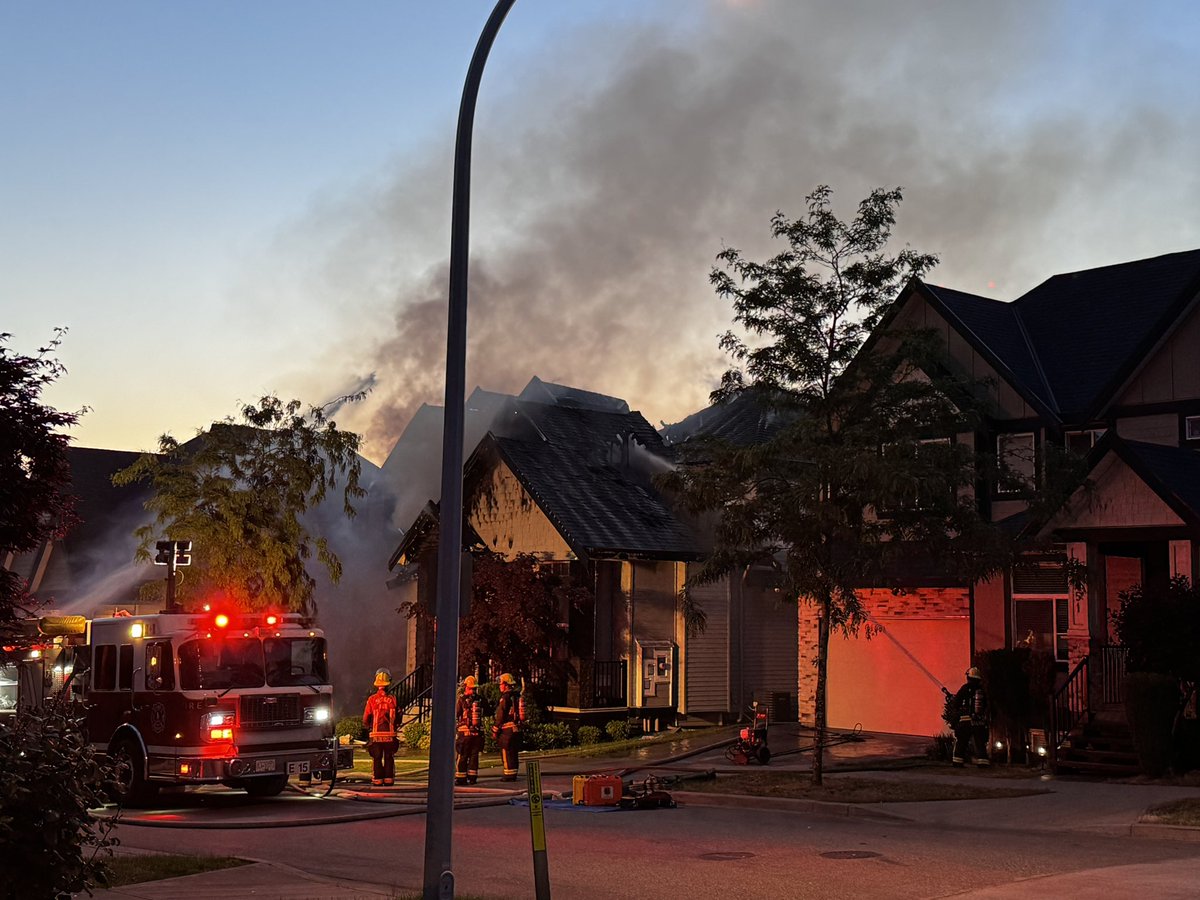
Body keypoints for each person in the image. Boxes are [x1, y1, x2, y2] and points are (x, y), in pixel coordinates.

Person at [947, 666, 990, 767]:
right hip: (978, 722)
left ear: (968, 677)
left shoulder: (964, 688)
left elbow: (956, 704)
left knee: (961, 742)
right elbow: (986, 705)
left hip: (965, 721)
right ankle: (983, 763)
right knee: (980, 744)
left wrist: (954, 701)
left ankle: (957, 762)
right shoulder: (981, 690)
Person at [362, 667, 398, 786]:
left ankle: (378, 779)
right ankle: (388, 779)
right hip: (390, 735)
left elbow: (366, 717)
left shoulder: (372, 699)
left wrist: (367, 727)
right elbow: (398, 716)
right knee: (389, 756)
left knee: (377, 758)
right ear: (389, 682)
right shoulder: (393, 699)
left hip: (376, 735)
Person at [492, 672, 522, 782]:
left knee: (506, 752)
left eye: (501, 684)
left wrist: (495, 729)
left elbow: (501, 715)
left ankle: (508, 774)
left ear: (506, 684)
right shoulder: (517, 696)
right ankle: (513, 773)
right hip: (516, 729)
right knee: (514, 752)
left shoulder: (505, 698)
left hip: (507, 731)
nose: (500, 686)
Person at [455, 675, 484, 786]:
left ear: (466, 687)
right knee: (474, 755)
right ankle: (472, 778)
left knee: (462, 755)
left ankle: (460, 778)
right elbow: (488, 711)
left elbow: (457, 714)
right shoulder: (480, 699)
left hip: (465, 733)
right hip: (477, 733)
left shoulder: (462, 700)